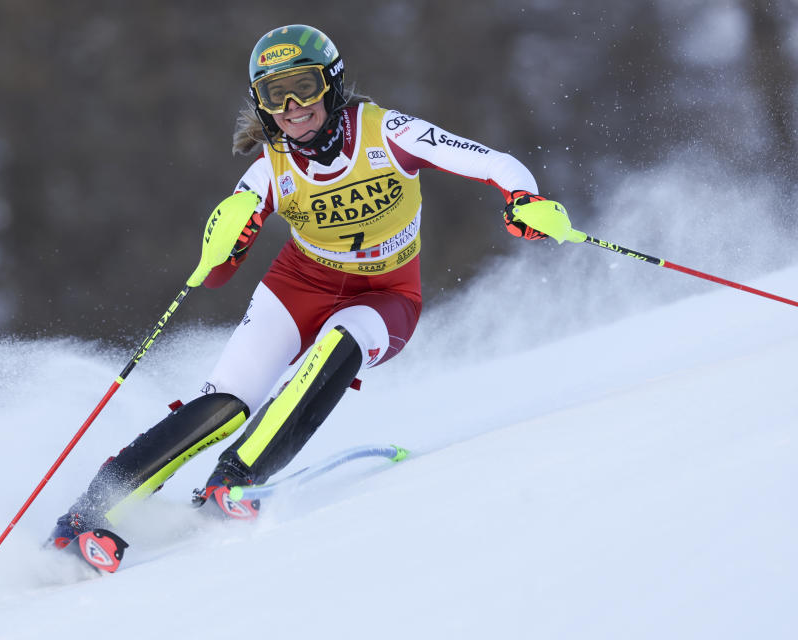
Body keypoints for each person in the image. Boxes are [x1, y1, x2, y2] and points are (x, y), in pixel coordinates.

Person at [49, 24, 573, 551]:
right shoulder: (268, 170)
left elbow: (492, 163)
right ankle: (85, 516)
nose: (294, 105)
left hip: (387, 295)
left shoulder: (386, 133)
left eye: (305, 86)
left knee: (341, 343)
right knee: (227, 403)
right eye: (277, 94)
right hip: (299, 285)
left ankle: (234, 480)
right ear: (262, 103)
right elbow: (217, 274)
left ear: (332, 84)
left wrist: (522, 198)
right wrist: (228, 243)